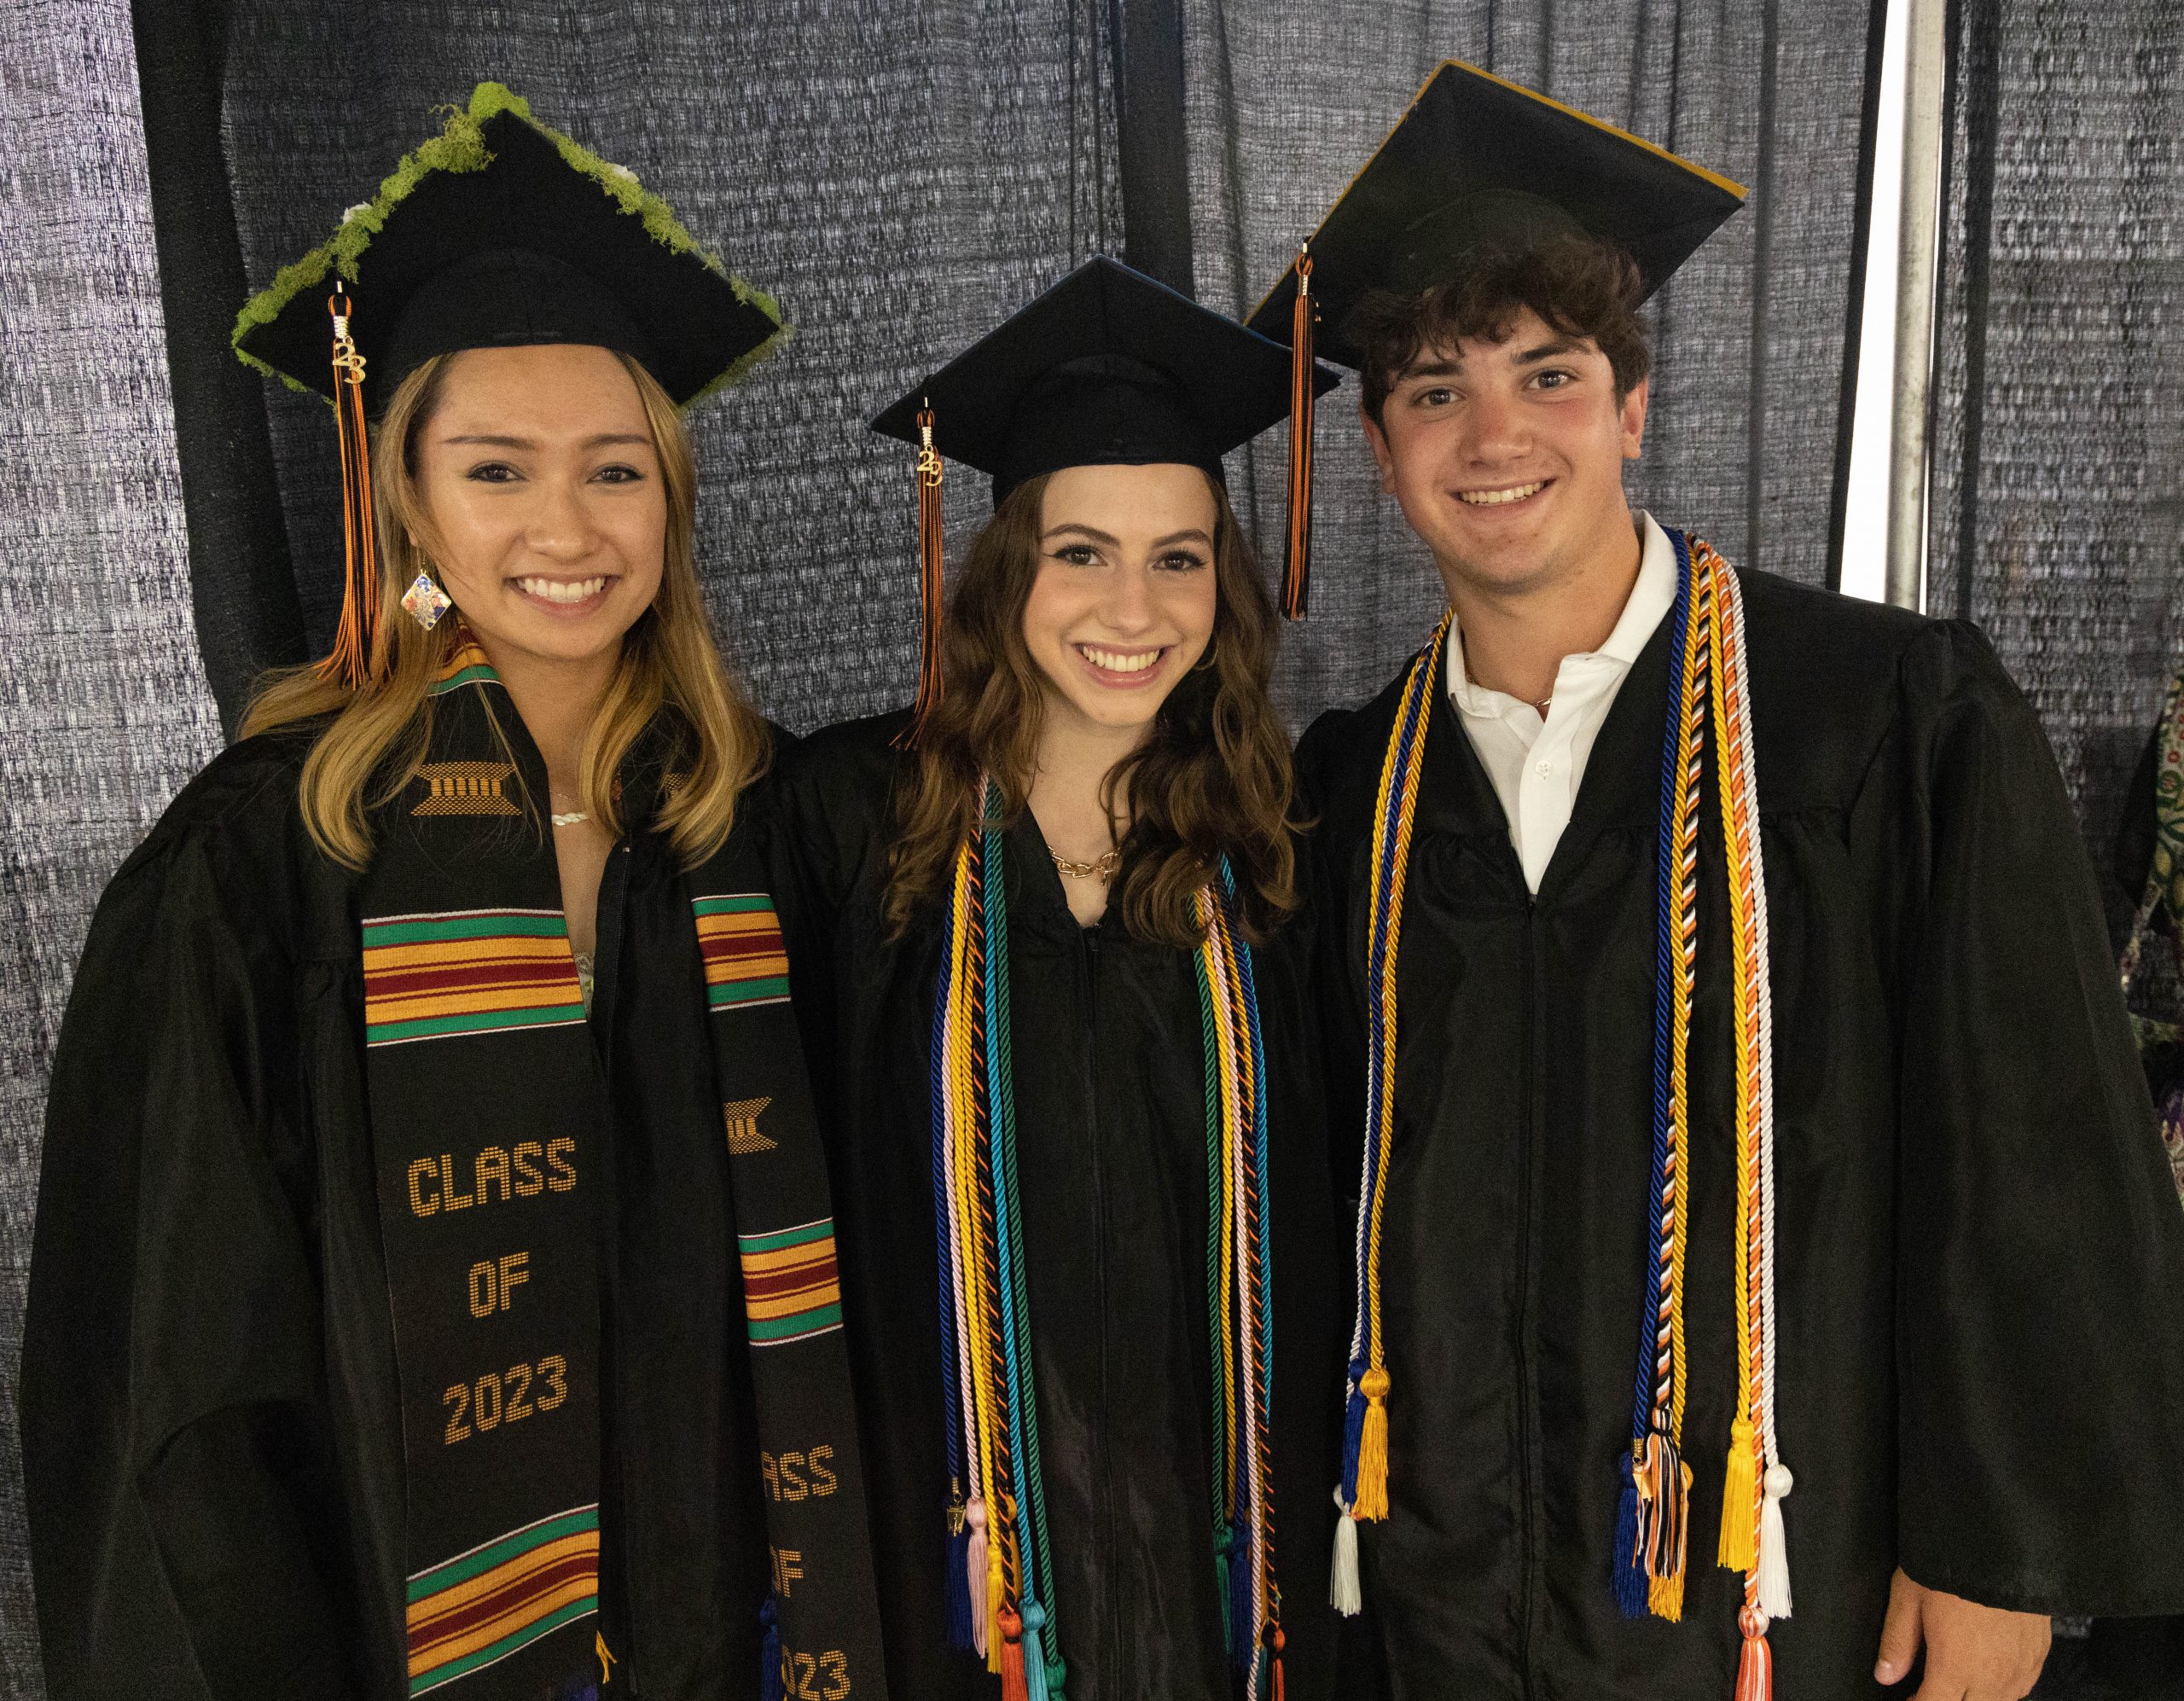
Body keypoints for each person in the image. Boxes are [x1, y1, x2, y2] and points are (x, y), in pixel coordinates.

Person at [1254, 61, 2184, 1701]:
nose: (1493, 436)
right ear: (1381, 445)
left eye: (1548, 374)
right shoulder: (1356, 791)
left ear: (1632, 404)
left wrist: (1997, 1549)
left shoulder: (1881, 720)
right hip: (1454, 1597)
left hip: (1786, 1603)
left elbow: (2031, 1140)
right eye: (1431, 390)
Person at [20, 84, 886, 1701]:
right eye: (499, 469)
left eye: (616, 471)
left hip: (734, 1636)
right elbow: (184, 1393)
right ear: (404, 493)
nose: (567, 527)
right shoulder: (265, 868)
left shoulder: (753, 829)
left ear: (673, 500)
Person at [771, 256, 1345, 1700]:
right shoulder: (855, 826)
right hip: (958, 1572)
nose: (1133, 604)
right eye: (1080, 551)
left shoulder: (1279, 861)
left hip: (1227, 1578)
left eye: (1179, 553)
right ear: (1004, 568)